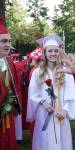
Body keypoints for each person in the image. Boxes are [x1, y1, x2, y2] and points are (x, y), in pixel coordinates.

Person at [26, 35, 75, 150]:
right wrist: (43, 102)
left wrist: (66, 110)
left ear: (59, 52)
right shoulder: (38, 72)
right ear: (44, 53)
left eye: (56, 51)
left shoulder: (65, 70)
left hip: (61, 113)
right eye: (50, 51)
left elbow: (70, 93)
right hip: (44, 112)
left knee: (62, 140)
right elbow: (33, 93)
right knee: (44, 140)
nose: (53, 53)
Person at [0, 17, 21, 150]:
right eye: (3, 41)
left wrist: (11, 101)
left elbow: (12, 87)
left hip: (6, 115)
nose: (8, 44)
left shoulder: (6, 63)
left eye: (9, 41)